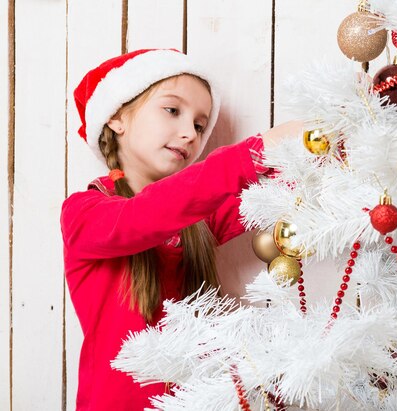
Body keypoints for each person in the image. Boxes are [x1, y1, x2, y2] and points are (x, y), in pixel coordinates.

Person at [61, 48, 300, 410]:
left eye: (200, 125)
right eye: (172, 110)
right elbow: (143, 217)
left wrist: (321, 145)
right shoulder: (84, 212)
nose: (190, 133)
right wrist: (253, 153)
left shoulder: (199, 223)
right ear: (116, 118)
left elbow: (270, 193)